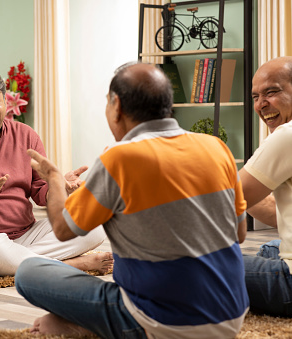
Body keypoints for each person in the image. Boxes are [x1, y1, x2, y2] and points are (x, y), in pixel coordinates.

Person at [15, 62, 249, 338]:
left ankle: (89, 325)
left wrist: (53, 177)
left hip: (161, 322)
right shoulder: (216, 147)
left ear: (116, 106)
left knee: (28, 271)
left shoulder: (118, 158)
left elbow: (63, 230)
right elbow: (239, 233)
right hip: (233, 314)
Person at [0, 69, 111, 277]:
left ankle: (7, 264)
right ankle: (76, 265)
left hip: (26, 233)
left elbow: (41, 193)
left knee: (95, 225)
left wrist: (59, 186)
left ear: (5, 102)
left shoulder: (27, 135)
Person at [240, 56, 292, 317]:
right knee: (270, 248)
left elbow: (228, 201)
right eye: (255, 96)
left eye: (271, 92)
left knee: (188, 264)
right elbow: (278, 213)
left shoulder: (287, 135)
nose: (261, 104)